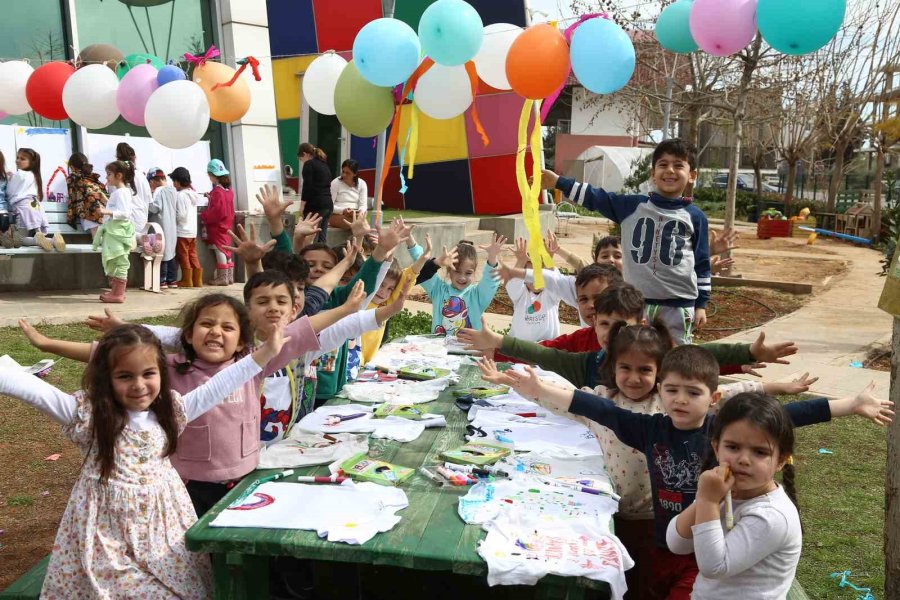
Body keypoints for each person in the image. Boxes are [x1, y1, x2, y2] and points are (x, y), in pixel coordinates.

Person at [482, 344, 892, 600]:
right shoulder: (649, 428)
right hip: (663, 540)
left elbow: (790, 415)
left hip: (709, 553)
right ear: (661, 391)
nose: (680, 400)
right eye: (672, 390)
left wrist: (851, 403)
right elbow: (595, 407)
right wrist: (536, 390)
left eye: (692, 393)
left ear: (712, 398)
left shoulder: (723, 431)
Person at [0, 322, 289, 598]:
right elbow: (29, 389)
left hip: (163, 532)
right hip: (106, 538)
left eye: (148, 373)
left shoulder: (172, 411)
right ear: (106, 378)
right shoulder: (88, 415)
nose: (139, 385)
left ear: (161, 374)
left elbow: (219, 385)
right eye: (125, 376)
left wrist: (264, 354)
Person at [539, 138, 710, 345]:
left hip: (678, 306)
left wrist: (701, 305)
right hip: (635, 304)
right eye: (663, 165)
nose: (670, 170)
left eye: (678, 165)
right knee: (632, 352)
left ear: (692, 176)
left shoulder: (695, 216)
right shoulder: (632, 206)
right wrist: (559, 182)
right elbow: (596, 197)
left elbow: (701, 264)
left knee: (674, 357)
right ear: (653, 175)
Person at [667, 393, 801, 598]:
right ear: (716, 447)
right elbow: (677, 544)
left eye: (760, 452)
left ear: (781, 460)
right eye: (733, 447)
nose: (744, 459)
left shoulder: (772, 515)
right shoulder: (720, 490)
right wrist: (705, 501)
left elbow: (714, 567)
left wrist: (708, 501)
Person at [421, 235, 505, 336]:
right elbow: (421, 267)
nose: (462, 277)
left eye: (468, 273)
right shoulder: (438, 290)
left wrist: (492, 257)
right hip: (441, 350)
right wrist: (411, 243)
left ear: (474, 272)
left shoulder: (477, 295)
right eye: (457, 271)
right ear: (449, 270)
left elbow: (490, 281)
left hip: (470, 350)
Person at [507, 237, 565, 342]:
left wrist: (549, 260)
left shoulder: (551, 294)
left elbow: (558, 282)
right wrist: (520, 261)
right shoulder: (520, 294)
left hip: (547, 350)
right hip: (519, 349)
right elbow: (512, 284)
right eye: (531, 275)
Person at [93, 161, 136, 303]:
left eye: (109, 174)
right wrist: (105, 200)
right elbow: (117, 208)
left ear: (119, 175)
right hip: (114, 232)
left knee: (119, 260)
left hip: (117, 232)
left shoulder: (122, 192)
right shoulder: (120, 192)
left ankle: (117, 294)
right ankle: (116, 292)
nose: (107, 178)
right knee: (117, 259)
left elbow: (124, 213)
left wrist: (106, 211)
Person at [7, 148, 64, 252]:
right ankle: (53, 240)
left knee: (18, 240)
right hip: (35, 208)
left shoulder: (19, 174)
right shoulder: (35, 175)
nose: (18, 160)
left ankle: (38, 240)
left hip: (22, 210)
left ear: (32, 162)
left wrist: (9, 179)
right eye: (17, 158)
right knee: (32, 234)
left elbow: (9, 192)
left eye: (22, 159)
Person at [201, 159, 236, 286]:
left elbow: (217, 210)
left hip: (217, 226)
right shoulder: (228, 191)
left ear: (212, 175)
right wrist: (210, 197)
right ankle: (230, 276)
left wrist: (205, 216)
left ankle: (222, 278)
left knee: (219, 250)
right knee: (227, 250)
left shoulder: (217, 192)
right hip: (227, 225)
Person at [147, 167, 179, 289]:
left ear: (152, 181)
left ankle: (162, 281)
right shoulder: (173, 190)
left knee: (161, 252)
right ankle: (172, 280)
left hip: (160, 225)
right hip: (172, 226)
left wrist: (147, 202)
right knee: (171, 252)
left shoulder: (158, 191)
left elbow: (155, 208)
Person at [170, 167, 202, 288]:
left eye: (174, 181)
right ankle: (197, 280)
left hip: (182, 231)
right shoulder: (193, 194)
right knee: (193, 255)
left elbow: (182, 215)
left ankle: (187, 280)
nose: (173, 184)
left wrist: (174, 219)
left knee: (183, 256)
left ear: (178, 181)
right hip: (192, 232)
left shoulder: (181, 195)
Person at [65, 152, 107, 238]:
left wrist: (70, 217)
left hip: (90, 213)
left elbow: (72, 198)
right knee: (106, 242)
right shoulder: (92, 177)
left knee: (98, 241)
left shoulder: (73, 177)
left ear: (72, 167)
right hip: (106, 211)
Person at [299, 142, 333, 243]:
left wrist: (302, 205)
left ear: (305, 154)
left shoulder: (309, 164)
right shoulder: (324, 165)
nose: (301, 161)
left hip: (315, 204)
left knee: (310, 236)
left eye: (301, 158)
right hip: (327, 204)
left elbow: (307, 186)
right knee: (322, 237)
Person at [115, 142, 150, 236]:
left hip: (123, 220)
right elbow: (148, 198)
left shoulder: (116, 177)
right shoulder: (141, 176)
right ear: (134, 157)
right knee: (140, 247)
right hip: (141, 219)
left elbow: (114, 199)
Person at [329, 158, 368, 231]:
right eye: (343, 171)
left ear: (355, 174)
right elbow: (329, 205)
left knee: (359, 221)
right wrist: (343, 210)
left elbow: (363, 205)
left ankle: (362, 239)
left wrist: (360, 212)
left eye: (348, 173)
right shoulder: (335, 183)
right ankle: (370, 239)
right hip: (337, 215)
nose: (344, 175)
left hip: (355, 215)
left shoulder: (362, 184)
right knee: (359, 225)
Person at [0, 149, 13, 248]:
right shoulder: (5, 179)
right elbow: (8, 198)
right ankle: (4, 235)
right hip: (3, 215)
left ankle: (3, 236)